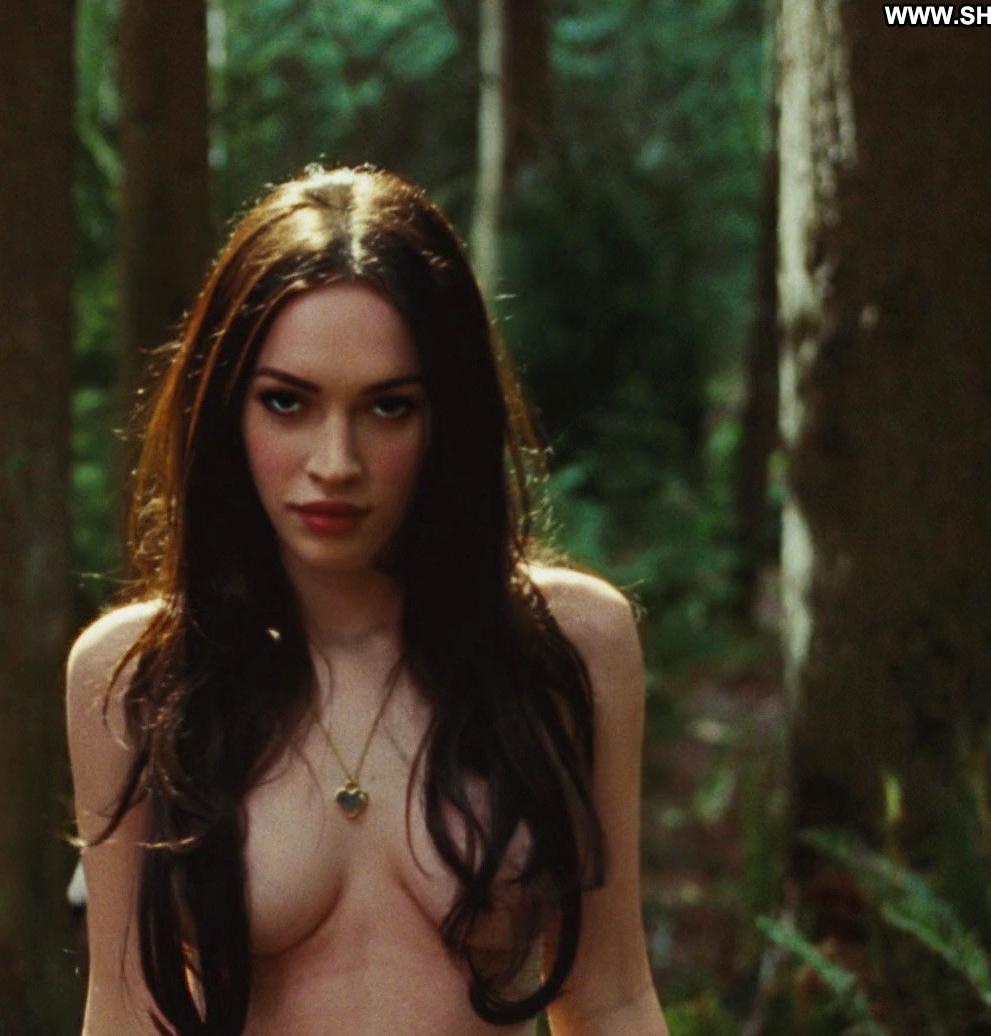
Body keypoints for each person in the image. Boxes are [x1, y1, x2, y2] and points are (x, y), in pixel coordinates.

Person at [65, 165, 668, 1036]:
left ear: (446, 416)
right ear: (224, 410)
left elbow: (610, 997)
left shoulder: (566, 644)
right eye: (287, 402)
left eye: (388, 407)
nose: (336, 462)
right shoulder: (134, 678)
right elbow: (125, 1015)